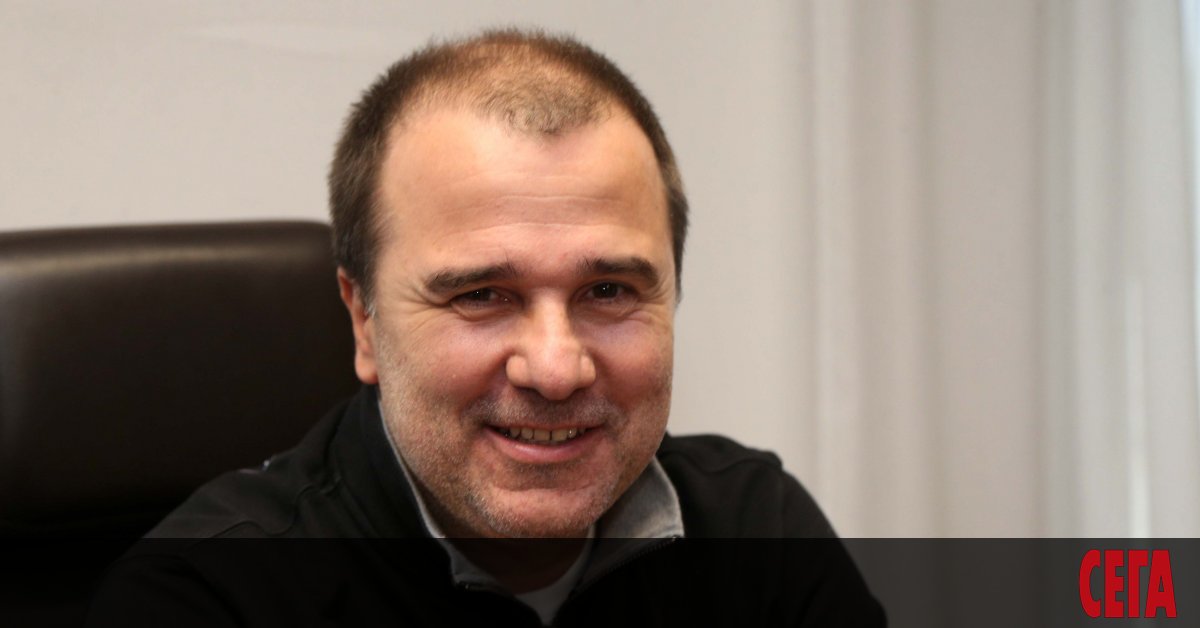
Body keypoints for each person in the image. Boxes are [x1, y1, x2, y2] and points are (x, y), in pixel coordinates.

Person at [87, 29, 885, 627]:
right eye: (481, 295)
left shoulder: (758, 533)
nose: (555, 369)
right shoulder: (203, 599)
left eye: (608, 290)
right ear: (363, 321)